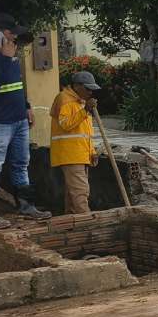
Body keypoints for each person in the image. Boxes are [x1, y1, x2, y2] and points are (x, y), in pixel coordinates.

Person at [0, 13, 51, 229]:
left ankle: (26, 206)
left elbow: (16, 84)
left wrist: (26, 106)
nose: (13, 39)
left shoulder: (9, 52)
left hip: (19, 119)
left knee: (21, 162)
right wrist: (5, 58)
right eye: (10, 33)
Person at [49, 71, 102, 215]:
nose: (90, 92)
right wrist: (85, 110)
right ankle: (85, 220)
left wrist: (92, 152)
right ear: (77, 86)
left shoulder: (80, 102)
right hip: (70, 154)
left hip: (80, 154)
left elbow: (84, 132)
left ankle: (72, 220)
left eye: (92, 89)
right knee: (80, 191)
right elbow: (66, 124)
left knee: (72, 193)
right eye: (88, 89)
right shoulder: (65, 100)